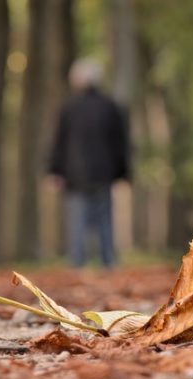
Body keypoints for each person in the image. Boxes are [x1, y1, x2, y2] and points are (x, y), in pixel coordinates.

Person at [48, 59, 130, 268]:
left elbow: (60, 141)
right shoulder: (110, 106)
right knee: (104, 221)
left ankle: (77, 264)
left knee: (77, 221)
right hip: (104, 174)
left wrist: (55, 170)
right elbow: (121, 142)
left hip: (75, 175)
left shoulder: (69, 108)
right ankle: (108, 261)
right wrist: (123, 172)